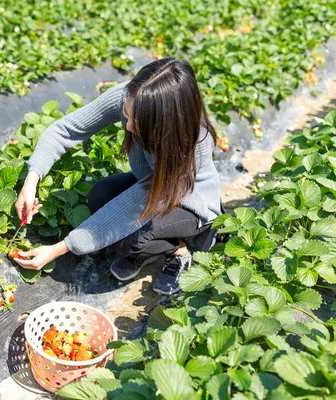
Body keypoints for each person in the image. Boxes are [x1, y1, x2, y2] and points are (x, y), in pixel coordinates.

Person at [13, 58, 222, 295]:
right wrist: (31, 181)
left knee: (136, 238)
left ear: (167, 125)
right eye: (126, 114)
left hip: (191, 202)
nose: (129, 126)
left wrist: (61, 248)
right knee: (99, 196)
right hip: (150, 186)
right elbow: (67, 129)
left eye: (140, 123)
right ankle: (145, 250)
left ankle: (181, 251)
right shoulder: (131, 97)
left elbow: (132, 207)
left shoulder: (194, 143)